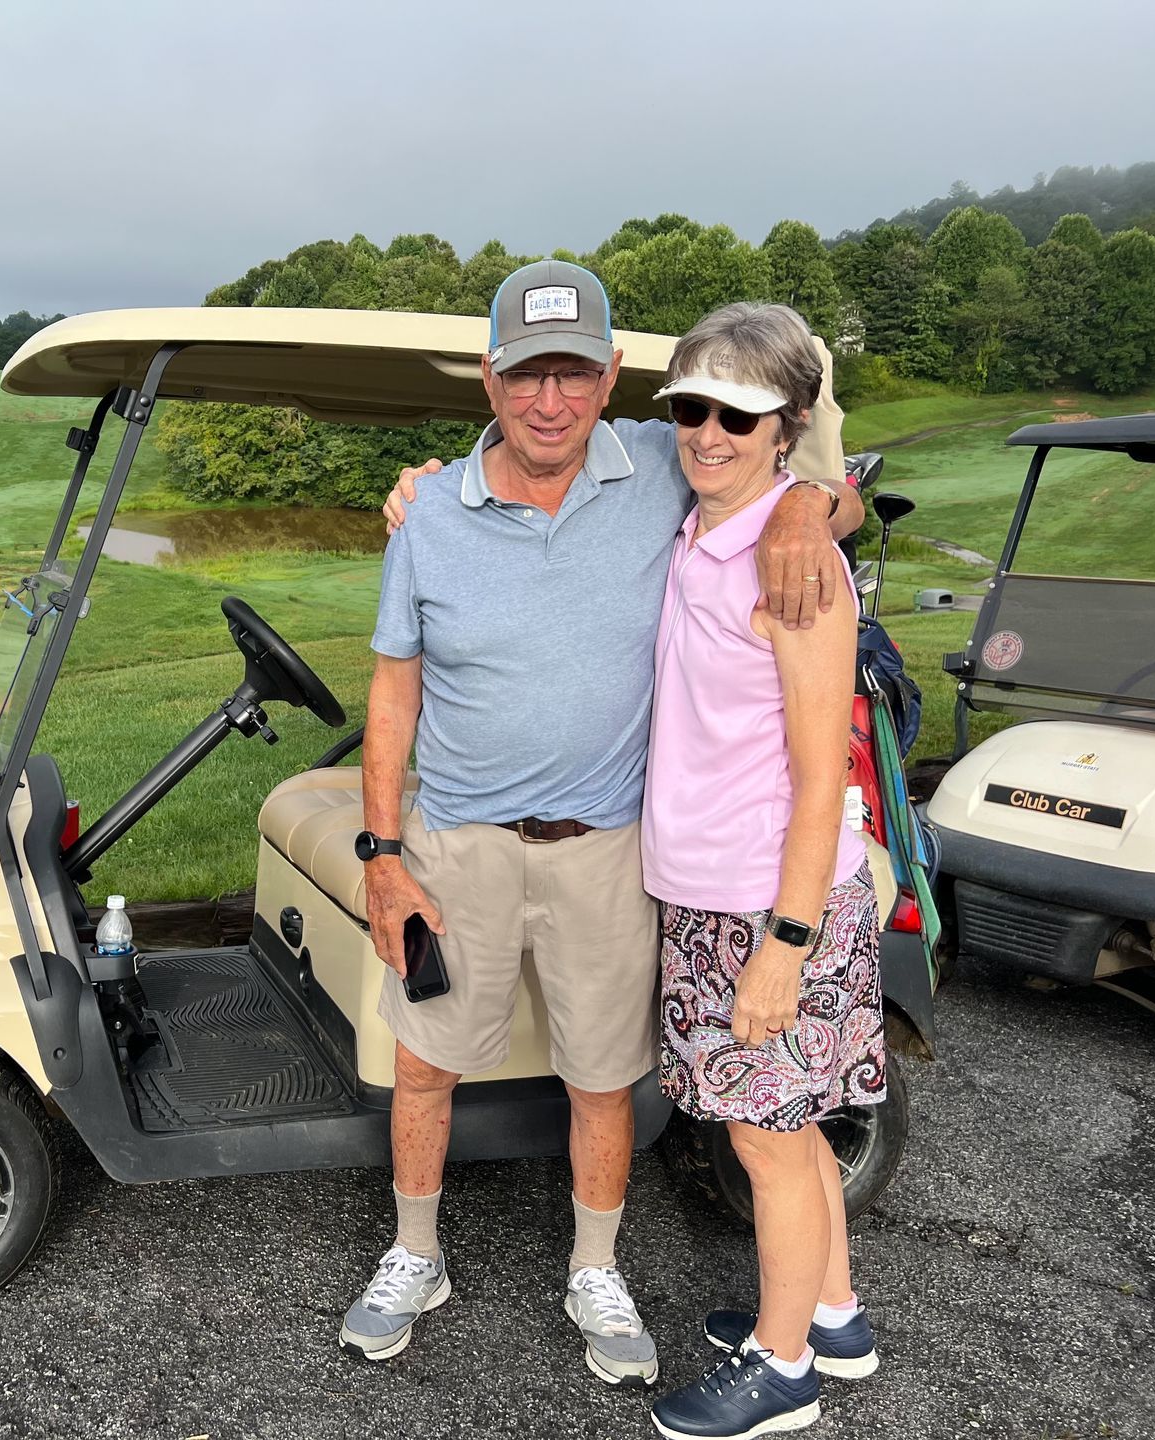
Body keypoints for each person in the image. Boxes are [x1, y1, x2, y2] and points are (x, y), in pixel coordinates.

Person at [342, 261, 862, 1386]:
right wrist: (383, 859)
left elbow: (799, 475)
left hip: (609, 848)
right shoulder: (427, 511)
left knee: (598, 1077)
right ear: (489, 376)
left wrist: (819, 505)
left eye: (574, 373)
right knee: (426, 1062)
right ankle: (415, 1252)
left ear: (609, 375)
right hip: (458, 844)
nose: (549, 401)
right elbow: (394, 692)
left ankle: (594, 1266)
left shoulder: (664, 470)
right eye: (525, 373)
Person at [639, 304, 885, 1440]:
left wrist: (784, 949)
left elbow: (816, 773)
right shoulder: (708, 529)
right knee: (793, 1122)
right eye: (689, 406)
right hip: (711, 886)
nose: (706, 432)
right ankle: (831, 1313)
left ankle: (782, 1373)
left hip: (767, 900)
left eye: (736, 414)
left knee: (766, 1139)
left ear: (784, 426)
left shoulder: (799, 567)